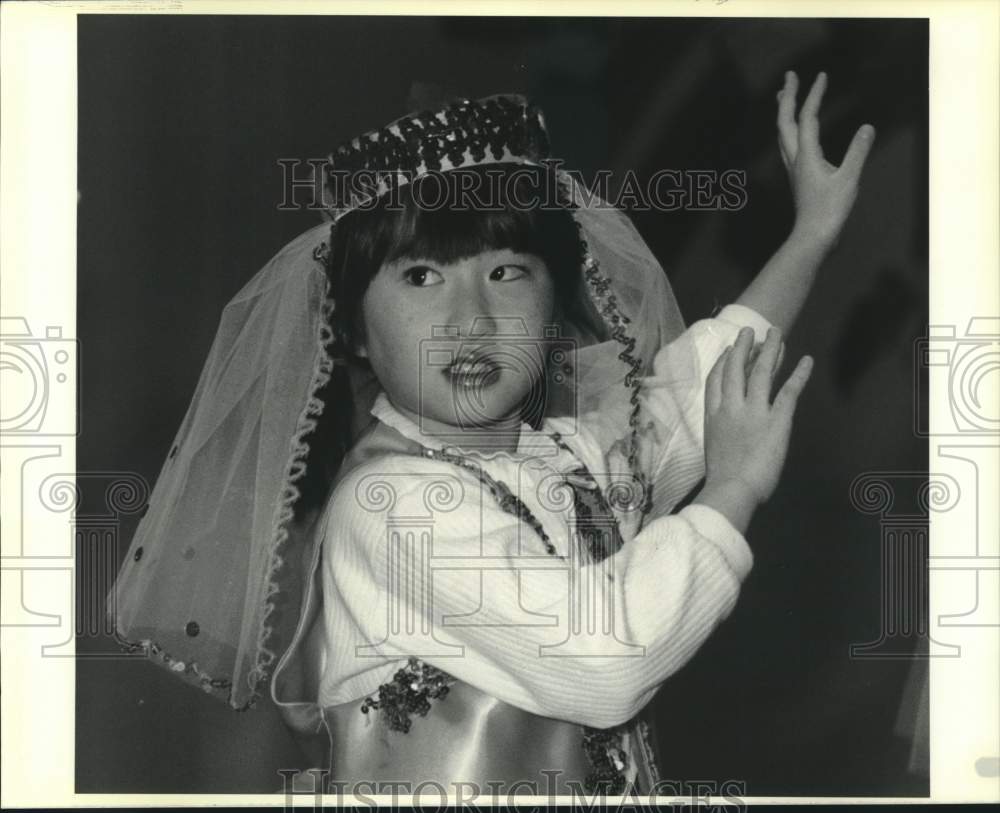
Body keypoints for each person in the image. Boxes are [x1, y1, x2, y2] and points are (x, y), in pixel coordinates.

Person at [108, 73, 874, 798]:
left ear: (553, 302)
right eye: (421, 277)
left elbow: (699, 387)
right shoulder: (392, 506)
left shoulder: (563, 459)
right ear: (356, 333)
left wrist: (811, 235)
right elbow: (608, 657)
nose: (470, 320)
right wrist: (735, 488)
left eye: (508, 271)